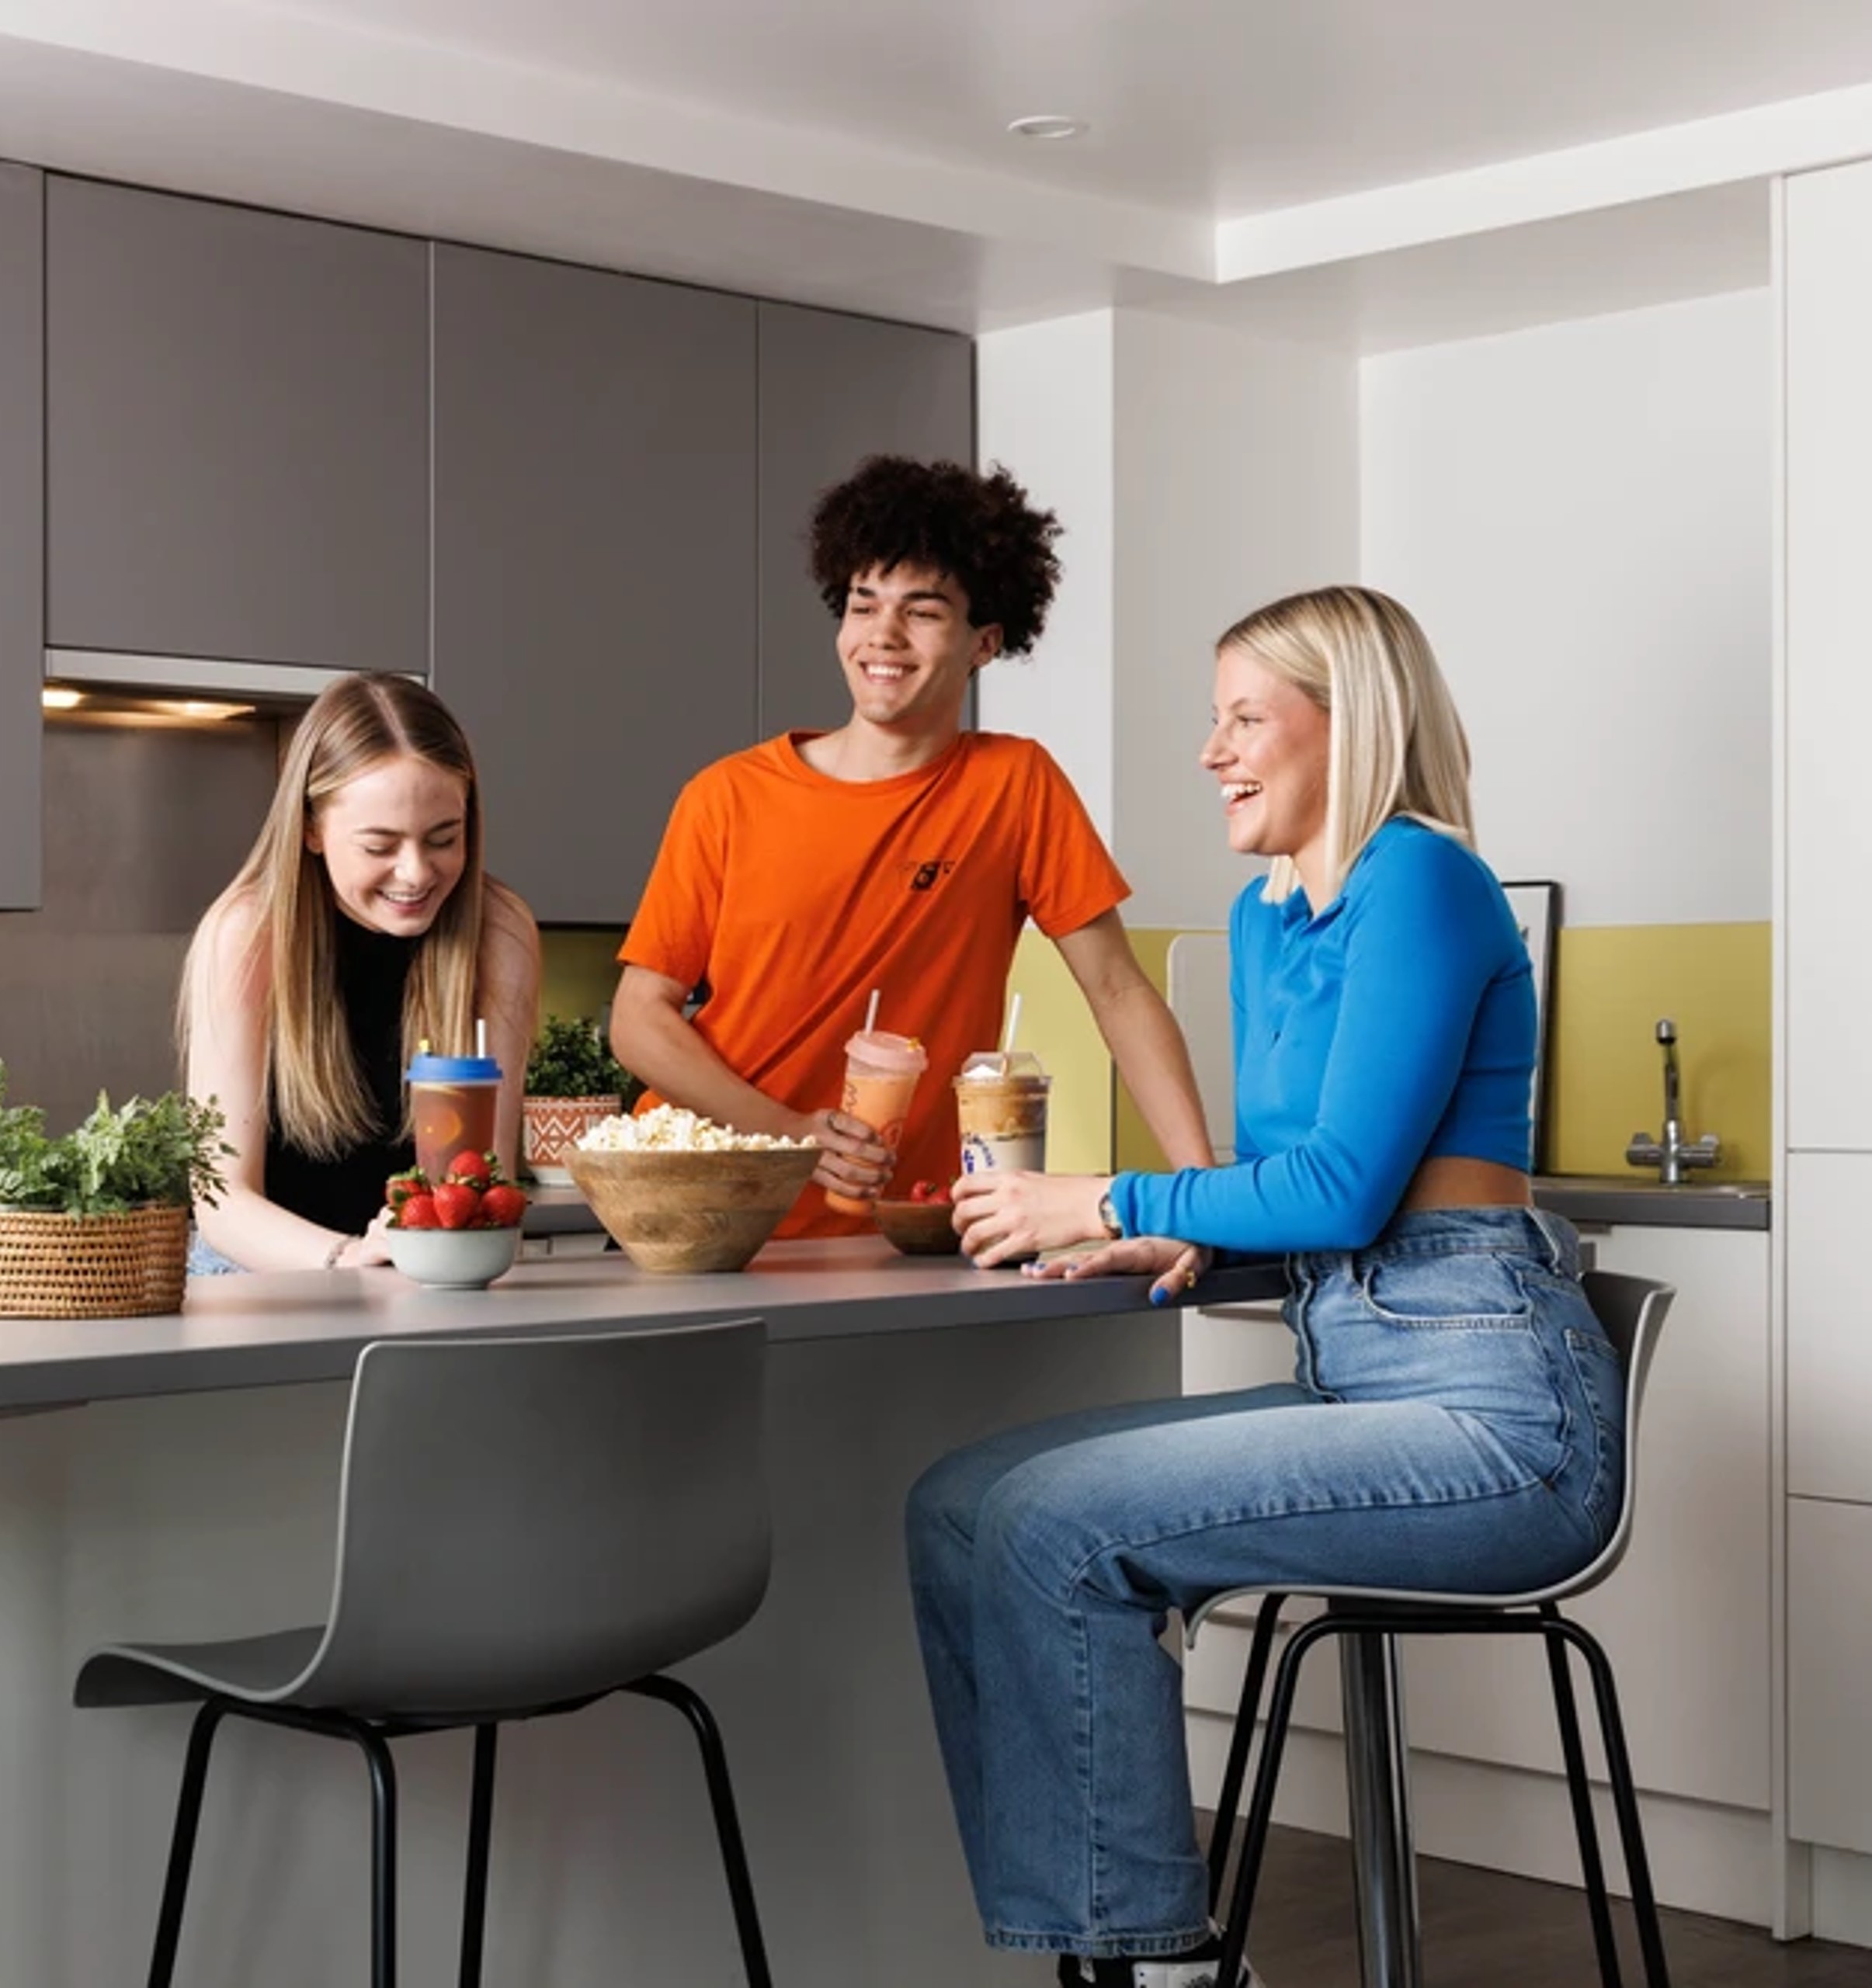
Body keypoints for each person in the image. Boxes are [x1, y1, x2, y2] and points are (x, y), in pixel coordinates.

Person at [910, 585, 1625, 1987]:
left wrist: (1104, 1193)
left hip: (1498, 1418)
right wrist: (1189, 1230)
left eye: (1245, 716)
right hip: (1356, 1367)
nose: (1211, 750)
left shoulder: (1425, 879)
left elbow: (1347, 1190)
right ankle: (1107, 1956)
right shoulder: (1264, 918)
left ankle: (1162, 1972)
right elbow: (1293, 1179)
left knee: (1056, 1527)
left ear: (1345, 725)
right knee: (955, 1507)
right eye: (1216, 718)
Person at [610, 456, 1214, 1235]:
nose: (882, 636)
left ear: (985, 641)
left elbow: (1121, 994)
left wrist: (1202, 1197)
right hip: (704, 1219)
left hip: (903, 1232)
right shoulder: (727, 795)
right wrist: (791, 1129)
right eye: (863, 605)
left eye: (922, 611)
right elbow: (638, 1016)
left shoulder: (1014, 784)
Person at [178, 674, 540, 1273]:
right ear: (313, 828)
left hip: (426, 1273)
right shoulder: (247, 935)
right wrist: (351, 1257)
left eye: (444, 838)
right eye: (380, 846)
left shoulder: (499, 934)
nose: (416, 872)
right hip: (259, 1275)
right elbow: (222, 1199)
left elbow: (486, 1182)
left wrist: (435, 1253)